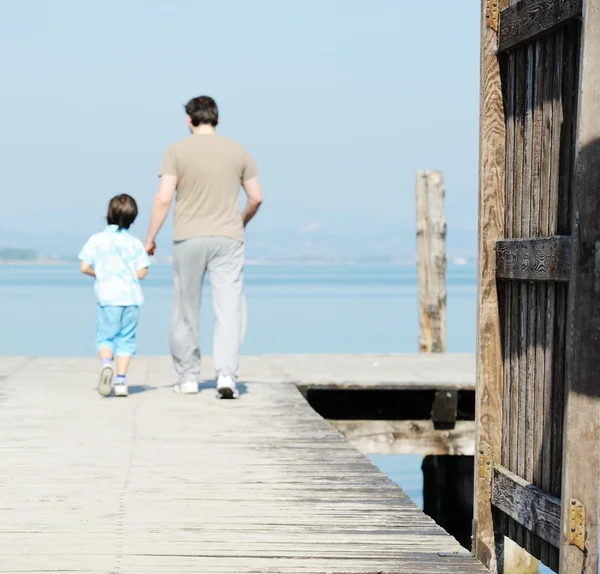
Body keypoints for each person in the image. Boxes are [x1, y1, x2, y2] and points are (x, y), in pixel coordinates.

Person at [145, 96, 263, 398]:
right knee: (229, 308)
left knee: (186, 308)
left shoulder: (176, 151)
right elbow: (256, 197)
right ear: (217, 120)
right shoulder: (238, 151)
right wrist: (240, 222)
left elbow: (164, 196)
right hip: (229, 237)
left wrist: (150, 237)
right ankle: (226, 376)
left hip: (189, 236)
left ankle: (188, 378)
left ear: (189, 120)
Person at [79, 194, 150, 397]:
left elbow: (84, 267)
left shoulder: (97, 240)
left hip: (108, 298)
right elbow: (142, 272)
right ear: (133, 218)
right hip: (131, 299)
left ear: (108, 214)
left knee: (105, 337)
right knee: (126, 340)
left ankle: (106, 365)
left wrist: (99, 274)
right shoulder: (135, 243)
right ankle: (121, 382)